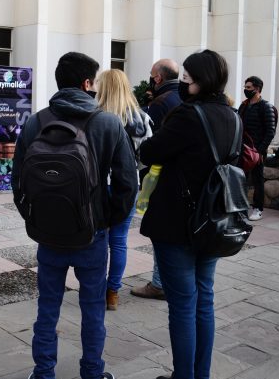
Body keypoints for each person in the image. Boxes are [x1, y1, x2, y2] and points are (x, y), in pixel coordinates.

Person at [12, 52, 137, 379]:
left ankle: (43, 373)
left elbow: (18, 181)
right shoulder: (108, 123)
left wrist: (33, 219)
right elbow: (127, 183)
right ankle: (93, 373)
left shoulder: (36, 122)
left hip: (48, 234)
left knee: (47, 308)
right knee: (93, 309)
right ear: (86, 84)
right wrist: (106, 220)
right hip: (91, 236)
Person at [139, 49, 238, 379]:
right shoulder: (233, 117)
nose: (182, 84)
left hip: (177, 223)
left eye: (186, 79)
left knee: (183, 304)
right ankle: (200, 374)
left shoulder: (188, 115)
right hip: (213, 222)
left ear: (201, 81)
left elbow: (149, 151)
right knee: (203, 300)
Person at [95, 69, 152, 310]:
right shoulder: (141, 118)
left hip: (98, 187)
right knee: (119, 241)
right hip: (128, 187)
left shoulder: (95, 117)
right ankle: (113, 293)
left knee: (98, 240)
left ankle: (95, 289)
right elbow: (147, 157)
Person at [131, 58, 181, 301]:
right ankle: (171, 279)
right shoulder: (186, 98)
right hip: (183, 178)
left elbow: (149, 147)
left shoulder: (161, 103)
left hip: (159, 176)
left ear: (158, 78)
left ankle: (160, 283)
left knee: (160, 231)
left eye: (152, 75)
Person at [238, 76, 276, 221]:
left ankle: (257, 208)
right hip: (243, 148)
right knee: (241, 179)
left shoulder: (266, 107)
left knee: (257, 180)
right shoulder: (244, 105)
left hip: (257, 151)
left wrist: (259, 151)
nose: (246, 90)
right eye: (245, 87)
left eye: (248, 88)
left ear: (257, 89)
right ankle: (241, 208)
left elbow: (270, 131)